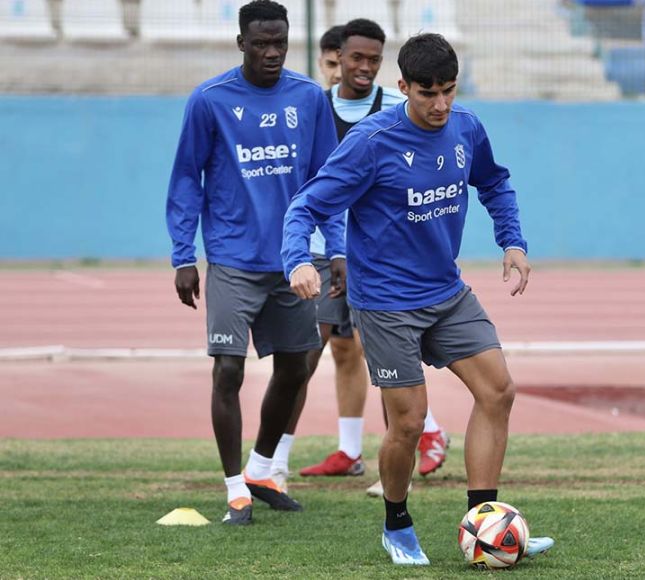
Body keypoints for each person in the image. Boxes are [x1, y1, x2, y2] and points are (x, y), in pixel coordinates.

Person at [281, 33, 554, 565]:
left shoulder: (467, 128)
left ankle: (486, 525)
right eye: (428, 93)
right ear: (402, 86)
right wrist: (296, 260)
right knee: (408, 422)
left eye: (449, 91)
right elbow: (305, 207)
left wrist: (513, 242)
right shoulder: (370, 142)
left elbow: (494, 184)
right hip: (385, 303)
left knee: (498, 392)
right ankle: (397, 524)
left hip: (445, 292)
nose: (441, 105)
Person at [165, 0, 340, 525]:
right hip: (232, 259)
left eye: (279, 43)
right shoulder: (210, 100)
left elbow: (329, 181)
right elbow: (184, 179)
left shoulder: (308, 98)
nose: (271, 52)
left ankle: (262, 468)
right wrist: (183, 255)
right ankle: (235, 487)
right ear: (240, 42)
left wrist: (335, 248)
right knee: (228, 369)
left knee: (294, 368)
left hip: (292, 260)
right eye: (260, 43)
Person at [272, 19, 450, 497]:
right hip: (325, 252)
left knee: (388, 358)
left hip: (380, 260)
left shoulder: (398, 109)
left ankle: (413, 449)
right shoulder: (316, 108)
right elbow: (307, 182)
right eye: (353, 58)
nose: (362, 67)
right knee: (314, 354)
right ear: (335, 59)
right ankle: (286, 461)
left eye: (373, 59)